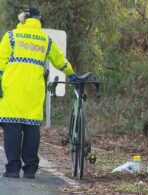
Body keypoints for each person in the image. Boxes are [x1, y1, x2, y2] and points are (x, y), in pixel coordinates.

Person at [0, 7, 79, 178]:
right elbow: (60, 61)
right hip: (34, 91)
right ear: (39, 20)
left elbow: (0, 61)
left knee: (12, 129)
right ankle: (30, 170)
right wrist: (72, 74)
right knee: (31, 129)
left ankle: (13, 169)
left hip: (11, 90)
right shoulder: (45, 39)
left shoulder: (11, 36)